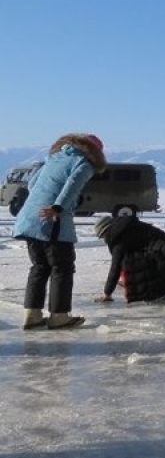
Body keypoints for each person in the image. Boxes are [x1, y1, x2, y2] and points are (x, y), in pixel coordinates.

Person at [14, 133, 106, 330]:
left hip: (29, 218)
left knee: (39, 267)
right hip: (52, 220)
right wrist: (58, 207)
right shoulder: (84, 163)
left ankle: (31, 315)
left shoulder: (53, 159)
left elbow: (31, 184)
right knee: (62, 268)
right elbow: (73, 185)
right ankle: (59, 316)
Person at [94, 216, 165, 303]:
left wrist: (107, 293)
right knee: (140, 260)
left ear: (106, 231)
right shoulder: (131, 226)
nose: (104, 240)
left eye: (103, 236)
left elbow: (115, 267)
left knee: (141, 276)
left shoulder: (120, 240)